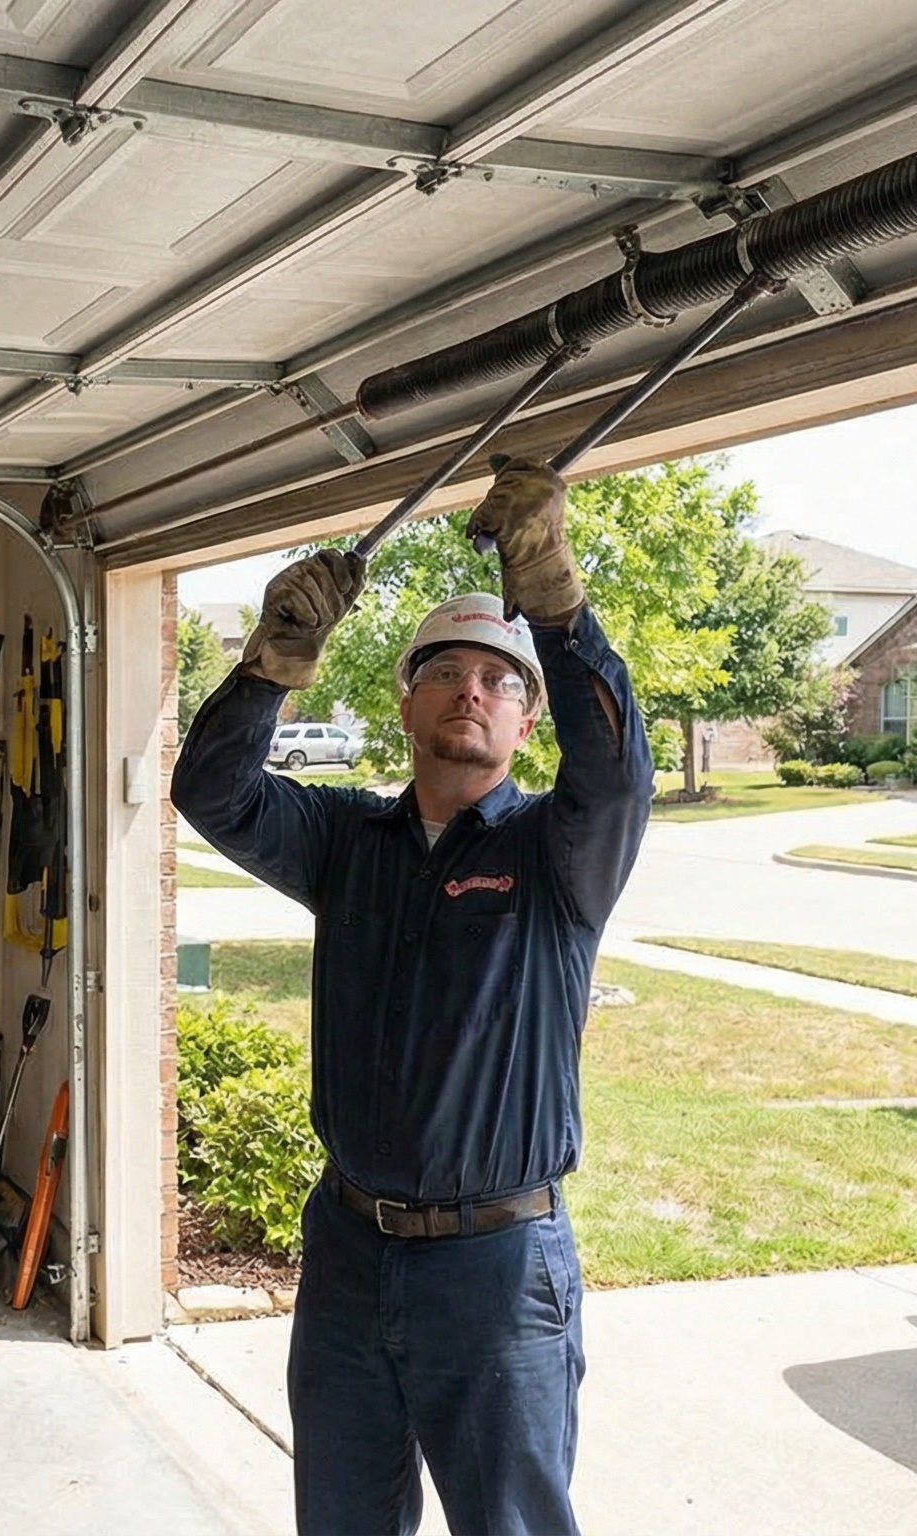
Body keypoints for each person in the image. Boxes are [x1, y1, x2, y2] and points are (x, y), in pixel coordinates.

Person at [170, 457, 651, 1536]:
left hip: (494, 1271)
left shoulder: (558, 854)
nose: (472, 689)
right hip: (346, 1250)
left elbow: (615, 772)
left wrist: (557, 606)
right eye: (446, 671)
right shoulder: (348, 842)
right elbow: (212, 792)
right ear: (407, 700)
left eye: (500, 678)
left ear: (526, 719)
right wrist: (268, 666)